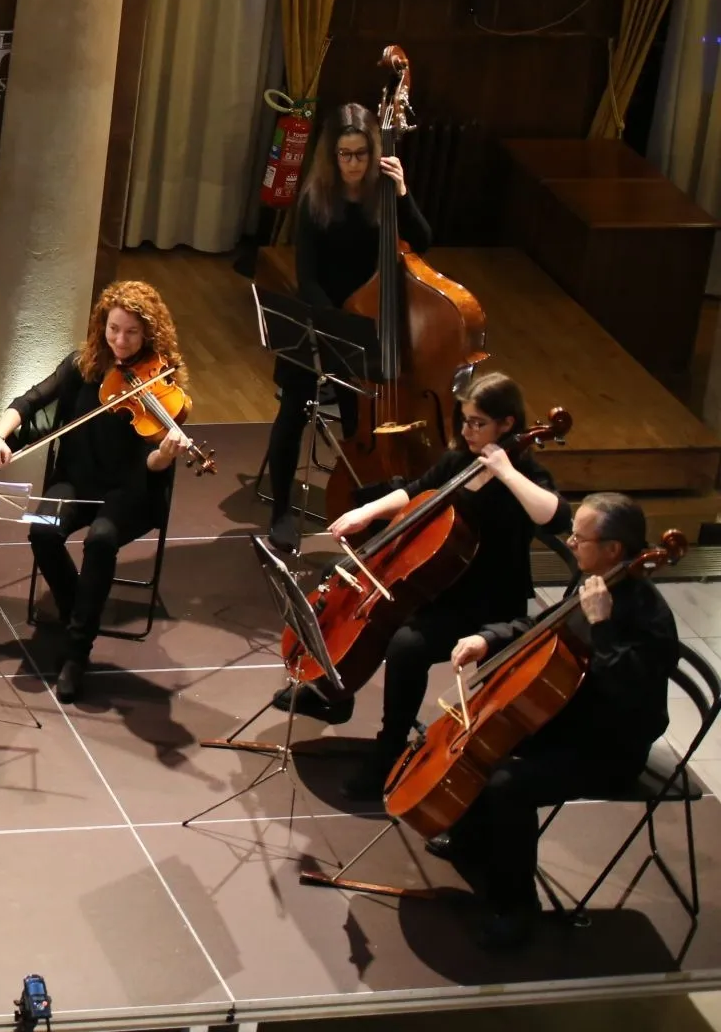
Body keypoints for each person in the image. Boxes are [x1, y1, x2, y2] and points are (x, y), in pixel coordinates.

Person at [286, 372, 567, 797]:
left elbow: (556, 517)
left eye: (478, 423)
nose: (467, 431)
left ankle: (389, 751)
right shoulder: (460, 459)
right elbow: (418, 491)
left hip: (486, 601)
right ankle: (335, 692)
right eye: (465, 421)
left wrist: (506, 471)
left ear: (508, 424)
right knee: (337, 577)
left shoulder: (525, 473)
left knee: (406, 646)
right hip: (437, 585)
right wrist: (368, 514)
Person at [437, 492, 677, 949]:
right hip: (572, 718)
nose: (570, 543)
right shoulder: (591, 580)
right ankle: (472, 840)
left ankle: (515, 909)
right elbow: (545, 623)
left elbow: (628, 697)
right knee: (487, 737)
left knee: (508, 783)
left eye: (579, 537)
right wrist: (487, 639)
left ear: (613, 549)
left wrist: (602, 624)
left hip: (611, 747)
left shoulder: (648, 617)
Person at [0, 281, 190, 703]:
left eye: (132, 333)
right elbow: (29, 400)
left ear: (149, 333)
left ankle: (77, 650)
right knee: (42, 531)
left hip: (132, 488)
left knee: (101, 541)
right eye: (114, 329)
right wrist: (1, 437)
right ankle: (79, 607)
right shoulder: (83, 365)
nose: (121, 341)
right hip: (77, 478)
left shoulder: (161, 380)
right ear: (102, 326)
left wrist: (165, 455)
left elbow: (150, 466)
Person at [265, 104, 427, 552]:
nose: (353, 164)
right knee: (293, 409)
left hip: (369, 329)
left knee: (362, 424)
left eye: (360, 154)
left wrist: (403, 192)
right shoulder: (315, 201)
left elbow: (425, 240)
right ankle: (280, 511)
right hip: (322, 319)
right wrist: (336, 321)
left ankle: (364, 503)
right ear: (331, 157)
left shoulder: (384, 197)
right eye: (345, 155)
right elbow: (308, 276)